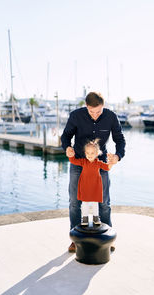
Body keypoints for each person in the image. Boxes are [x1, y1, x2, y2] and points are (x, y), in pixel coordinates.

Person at [61, 91, 126, 252]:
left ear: (103, 106)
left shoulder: (111, 117)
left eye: (98, 111)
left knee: (104, 202)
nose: (95, 115)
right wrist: (67, 148)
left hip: (100, 163)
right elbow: (66, 136)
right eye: (91, 111)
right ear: (86, 107)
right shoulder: (76, 116)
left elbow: (120, 139)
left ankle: (107, 237)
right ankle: (75, 239)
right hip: (78, 163)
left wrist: (117, 156)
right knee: (74, 202)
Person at [68, 139, 114, 226]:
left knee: (95, 203)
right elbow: (73, 161)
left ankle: (95, 218)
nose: (89, 155)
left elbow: (107, 167)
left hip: (95, 187)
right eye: (87, 153)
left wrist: (111, 162)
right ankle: (84, 218)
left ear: (97, 154)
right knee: (84, 203)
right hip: (84, 186)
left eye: (92, 153)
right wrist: (71, 155)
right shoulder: (83, 162)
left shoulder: (98, 163)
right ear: (85, 153)